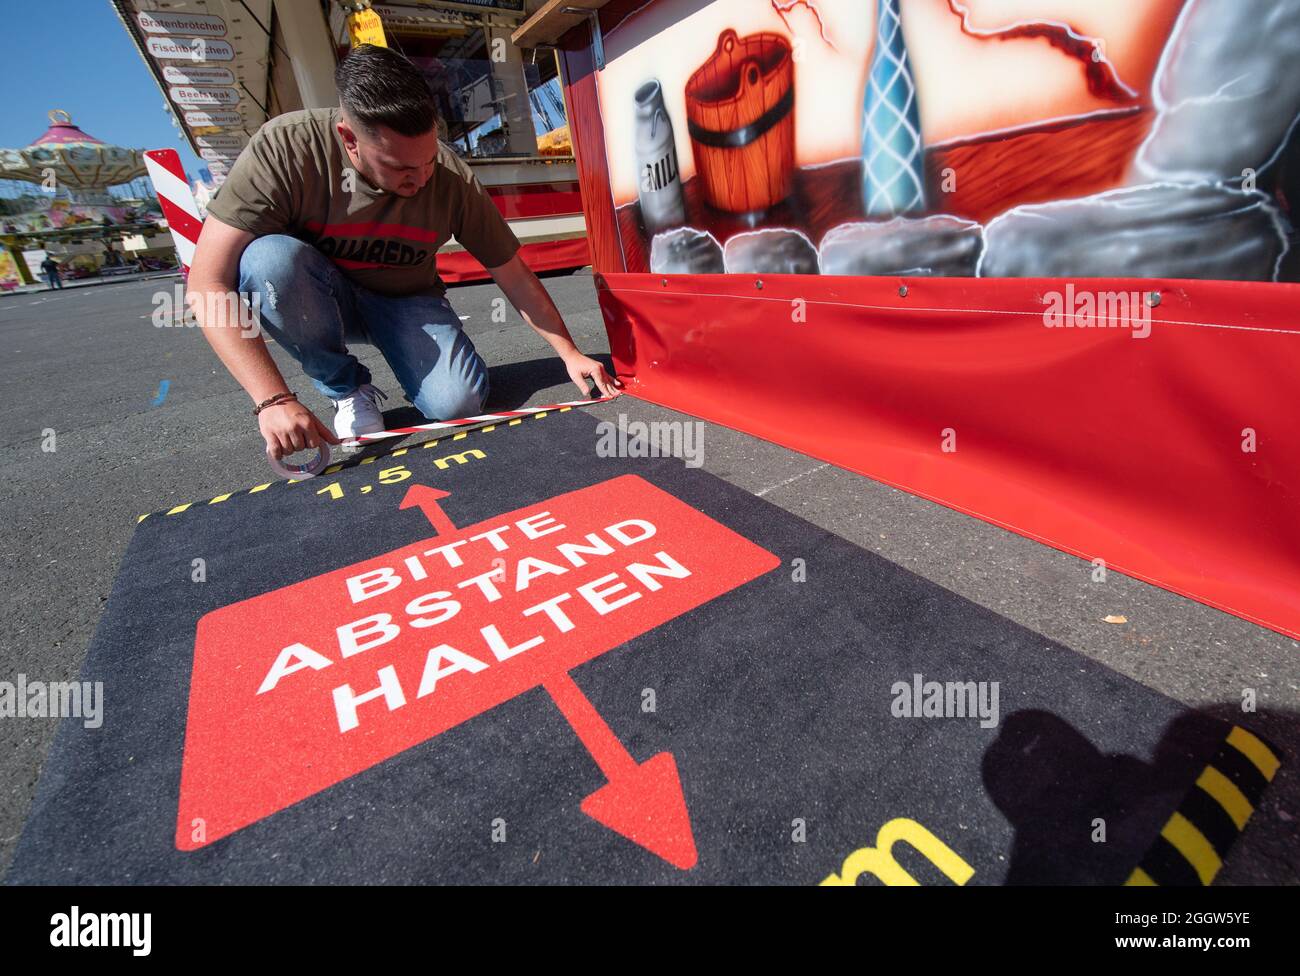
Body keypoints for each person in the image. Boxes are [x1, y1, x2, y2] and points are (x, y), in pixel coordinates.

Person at [187, 44, 620, 464]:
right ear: (348, 139)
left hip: (405, 300)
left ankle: (402, 354)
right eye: (399, 167)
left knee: (458, 403)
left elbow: (512, 274)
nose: (421, 178)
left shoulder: (449, 178)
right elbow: (207, 282)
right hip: (319, 297)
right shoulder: (285, 149)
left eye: (428, 159)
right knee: (267, 260)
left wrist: (570, 352)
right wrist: (272, 401)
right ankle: (346, 388)